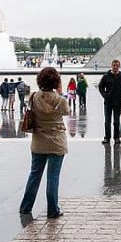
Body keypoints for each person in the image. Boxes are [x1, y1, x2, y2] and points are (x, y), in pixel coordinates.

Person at [19, 67, 70, 218]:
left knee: (34, 175)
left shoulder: (34, 97)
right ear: (56, 82)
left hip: (39, 141)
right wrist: (59, 92)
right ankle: (52, 210)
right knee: (53, 177)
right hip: (56, 142)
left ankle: (26, 206)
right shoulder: (61, 100)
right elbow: (67, 112)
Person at [98, 59, 121, 145]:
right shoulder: (106, 75)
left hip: (117, 102)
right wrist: (105, 95)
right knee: (107, 121)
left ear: (119, 66)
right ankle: (107, 137)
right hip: (108, 102)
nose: (115, 67)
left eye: (117, 65)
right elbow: (100, 86)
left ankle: (116, 137)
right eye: (114, 65)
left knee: (116, 121)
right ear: (111, 66)